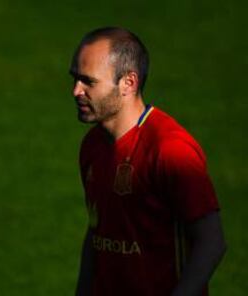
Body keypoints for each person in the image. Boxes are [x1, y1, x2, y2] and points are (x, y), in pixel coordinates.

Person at [70, 27, 226, 296]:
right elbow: (98, 231)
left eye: (88, 82)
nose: (76, 91)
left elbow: (211, 242)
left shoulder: (171, 149)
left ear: (128, 83)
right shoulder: (92, 147)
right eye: (75, 79)